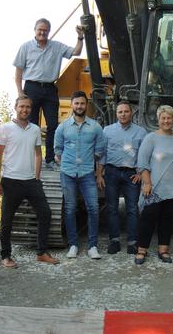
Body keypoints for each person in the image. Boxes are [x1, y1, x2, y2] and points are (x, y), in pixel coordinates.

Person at [13, 18, 84, 170]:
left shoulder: (57, 46)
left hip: (50, 88)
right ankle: (31, 158)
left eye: (45, 30)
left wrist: (80, 37)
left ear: (49, 31)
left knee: (53, 125)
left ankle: (50, 159)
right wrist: (20, 93)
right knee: (30, 125)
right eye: (40, 29)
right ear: (35, 30)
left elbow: (76, 51)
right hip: (31, 88)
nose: (42, 32)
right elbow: (18, 73)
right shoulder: (25, 47)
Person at [0, 95, 59, 268]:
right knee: (7, 220)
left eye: (28, 107)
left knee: (45, 213)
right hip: (10, 180)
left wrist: (37, 177)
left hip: (31, 181)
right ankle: (6, 255)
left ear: (31, 109)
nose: (25, 110)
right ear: (15, 107)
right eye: (21, 106)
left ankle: (41, 252)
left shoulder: (35, 129)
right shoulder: (5, 128)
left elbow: (38, 153)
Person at [54, 90, 105, 259]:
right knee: (69, 209)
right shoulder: (62, 127)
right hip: (67, 174)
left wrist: (98, 174)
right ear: (72, 105)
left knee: (94, 208)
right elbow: (58, 151)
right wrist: (66, 165)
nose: (79, 106)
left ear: (86, 105)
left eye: (82, 103)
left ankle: (92, 246)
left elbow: (100, 153)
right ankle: (73, 244)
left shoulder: (96, 127)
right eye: (76, 103)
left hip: (87, 174)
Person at [134, 105, 173, 265]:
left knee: (167, 219)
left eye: (169, 118)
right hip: (154, 187)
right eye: (163, 118)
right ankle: (141, 250)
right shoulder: (151, 138)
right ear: (158, 120)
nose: (166, 121)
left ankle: (163, 250)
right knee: (148, 218)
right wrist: (147, 183)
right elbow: (142, 163)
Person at [98, 101, 147, 255]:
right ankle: (114, 241)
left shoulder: (141, 132)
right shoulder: (107, 131)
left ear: (131, 113)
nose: (123, 114)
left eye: (126, 111)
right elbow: (102, 154)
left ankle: (133, 242)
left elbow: (144, 155)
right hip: (111, 172)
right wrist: (99, 174)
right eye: (120, 112)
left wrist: (140, 173)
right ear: (116, 114)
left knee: (132, 208)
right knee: (111, 208)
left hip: (131, 174)